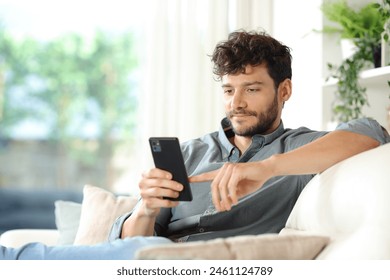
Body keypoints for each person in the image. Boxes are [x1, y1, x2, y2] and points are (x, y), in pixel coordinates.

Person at [1, 30, 389, 259]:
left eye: (252, 89)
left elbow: (370, 131)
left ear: (283, 90)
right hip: (144, 259)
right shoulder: (189, 152)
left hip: (196, 264)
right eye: (228, 90)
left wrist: (265, 167)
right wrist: (148, 207)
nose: (236, 103)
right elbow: (136, 241)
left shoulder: (297, 150)